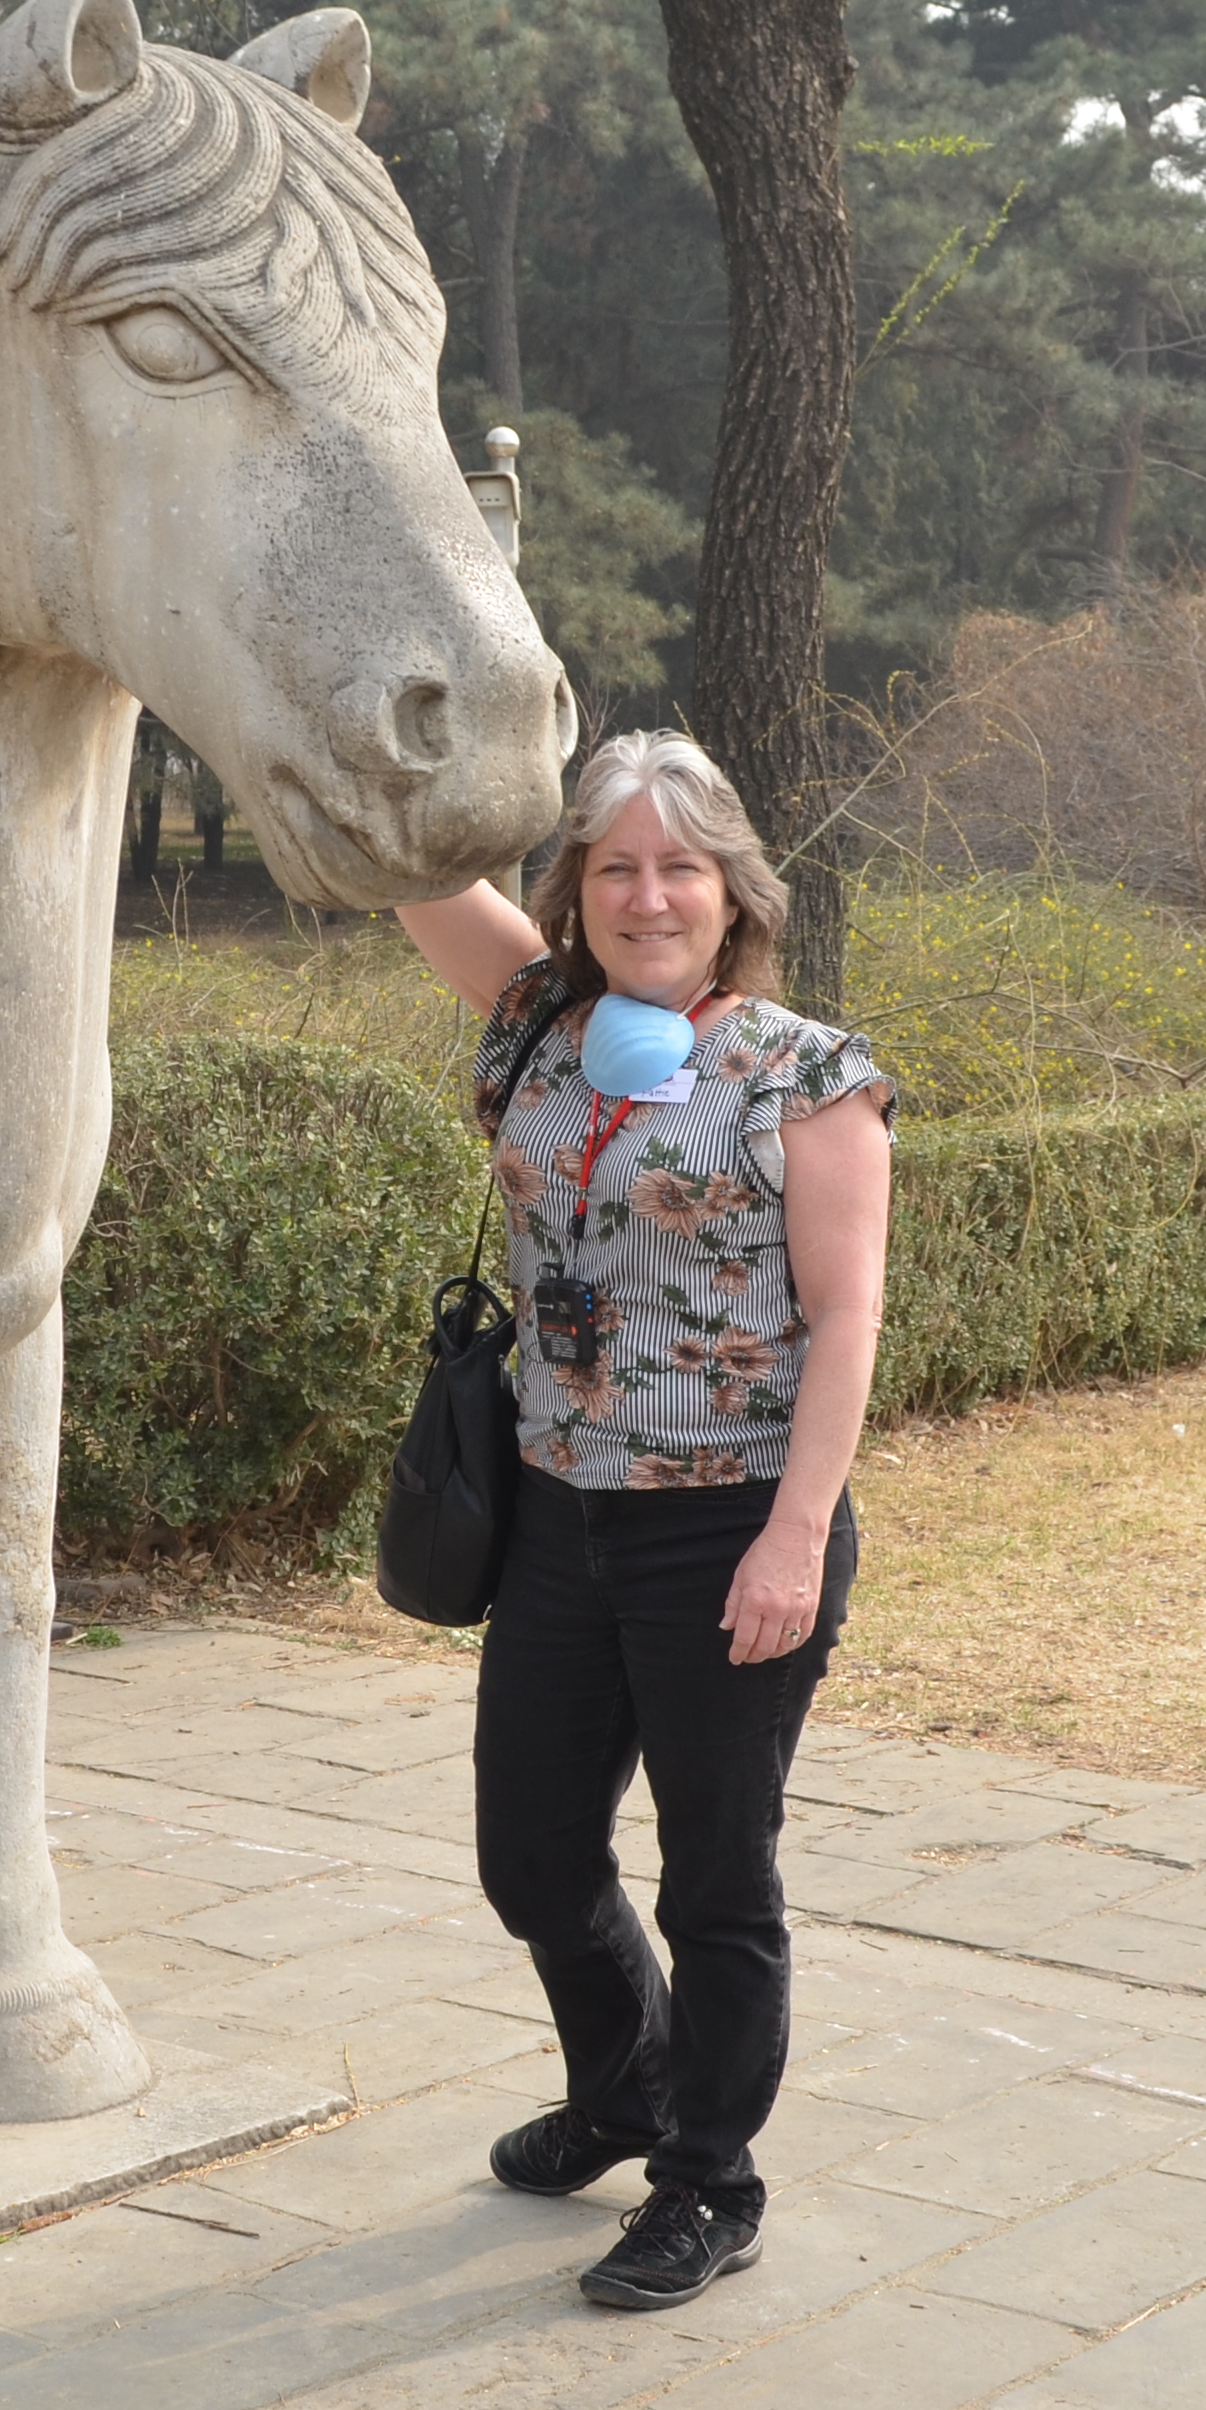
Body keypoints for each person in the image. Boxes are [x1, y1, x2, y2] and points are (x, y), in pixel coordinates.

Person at [393, 730, 894, 2310]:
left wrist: (794, 1536)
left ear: (732, 889)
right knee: (533, 1856)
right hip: (556, 1517)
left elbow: (849, 1315)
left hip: (730, 1520)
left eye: (679, 864)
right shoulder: (544, 1017)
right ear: (579, 888)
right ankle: (623, 2082)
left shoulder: (805, 1071)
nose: (647, 893)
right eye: (614, 863)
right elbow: (406, 855)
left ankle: (707, 2179)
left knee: (716, 1880)